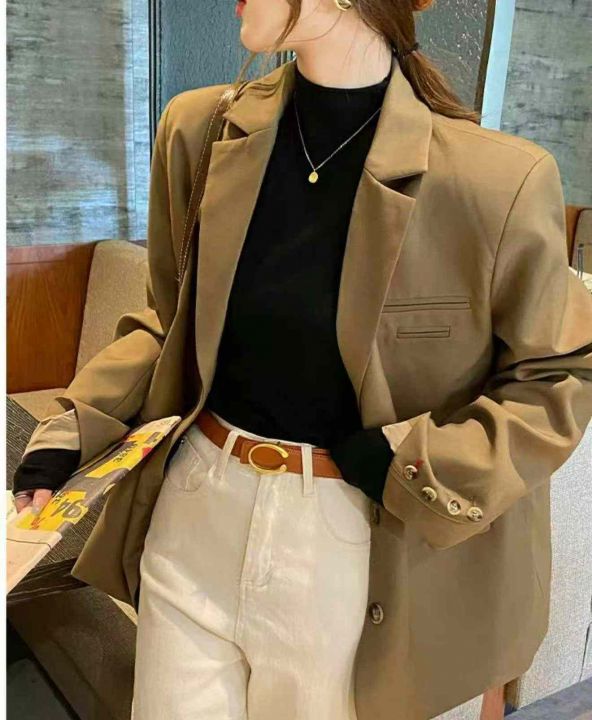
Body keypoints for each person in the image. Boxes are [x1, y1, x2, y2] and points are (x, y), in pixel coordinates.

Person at [12, 1, 592, 718]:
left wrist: (413, 466)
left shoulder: (494, 179)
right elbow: (172, 320)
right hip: (196, 505)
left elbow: (556, 373)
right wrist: (75, 426)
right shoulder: (199, 130)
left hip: (353, 536)